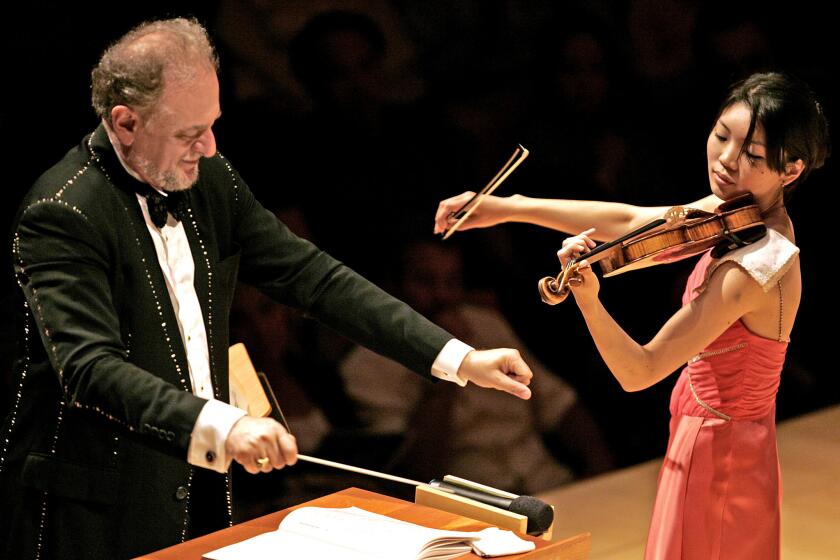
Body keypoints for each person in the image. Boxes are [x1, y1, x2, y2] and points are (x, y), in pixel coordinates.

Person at [0, 18, 535, 559]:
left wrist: (457, 357)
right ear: (125, 122)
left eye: (212, 125)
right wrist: (226, 426)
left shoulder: (209, 177)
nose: (208, 148)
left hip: (200, 480)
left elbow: (312, 277)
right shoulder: (62, 212)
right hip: (97, 507)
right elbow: (89, 368)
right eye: (190, 133)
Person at [434, 72, 829, 558]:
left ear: (790, 170)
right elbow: (629, 221)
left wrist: (588, 299)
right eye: (722, 136)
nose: (726, 160)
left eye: (752, 155)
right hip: (725, 437)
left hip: (718, 450)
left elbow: (638, 370)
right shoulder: (741, 213)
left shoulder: (754, 267)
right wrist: (509, 207)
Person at [339, 239, 614, 494]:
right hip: (469, 502)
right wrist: (446, 362)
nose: (442, 295)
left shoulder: (485, 323)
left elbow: (561, 406)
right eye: (425, 281)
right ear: (393, 286)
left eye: (452, 281)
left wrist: (601, 474)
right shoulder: (367, 364)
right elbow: (414, 470)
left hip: (547, 481)